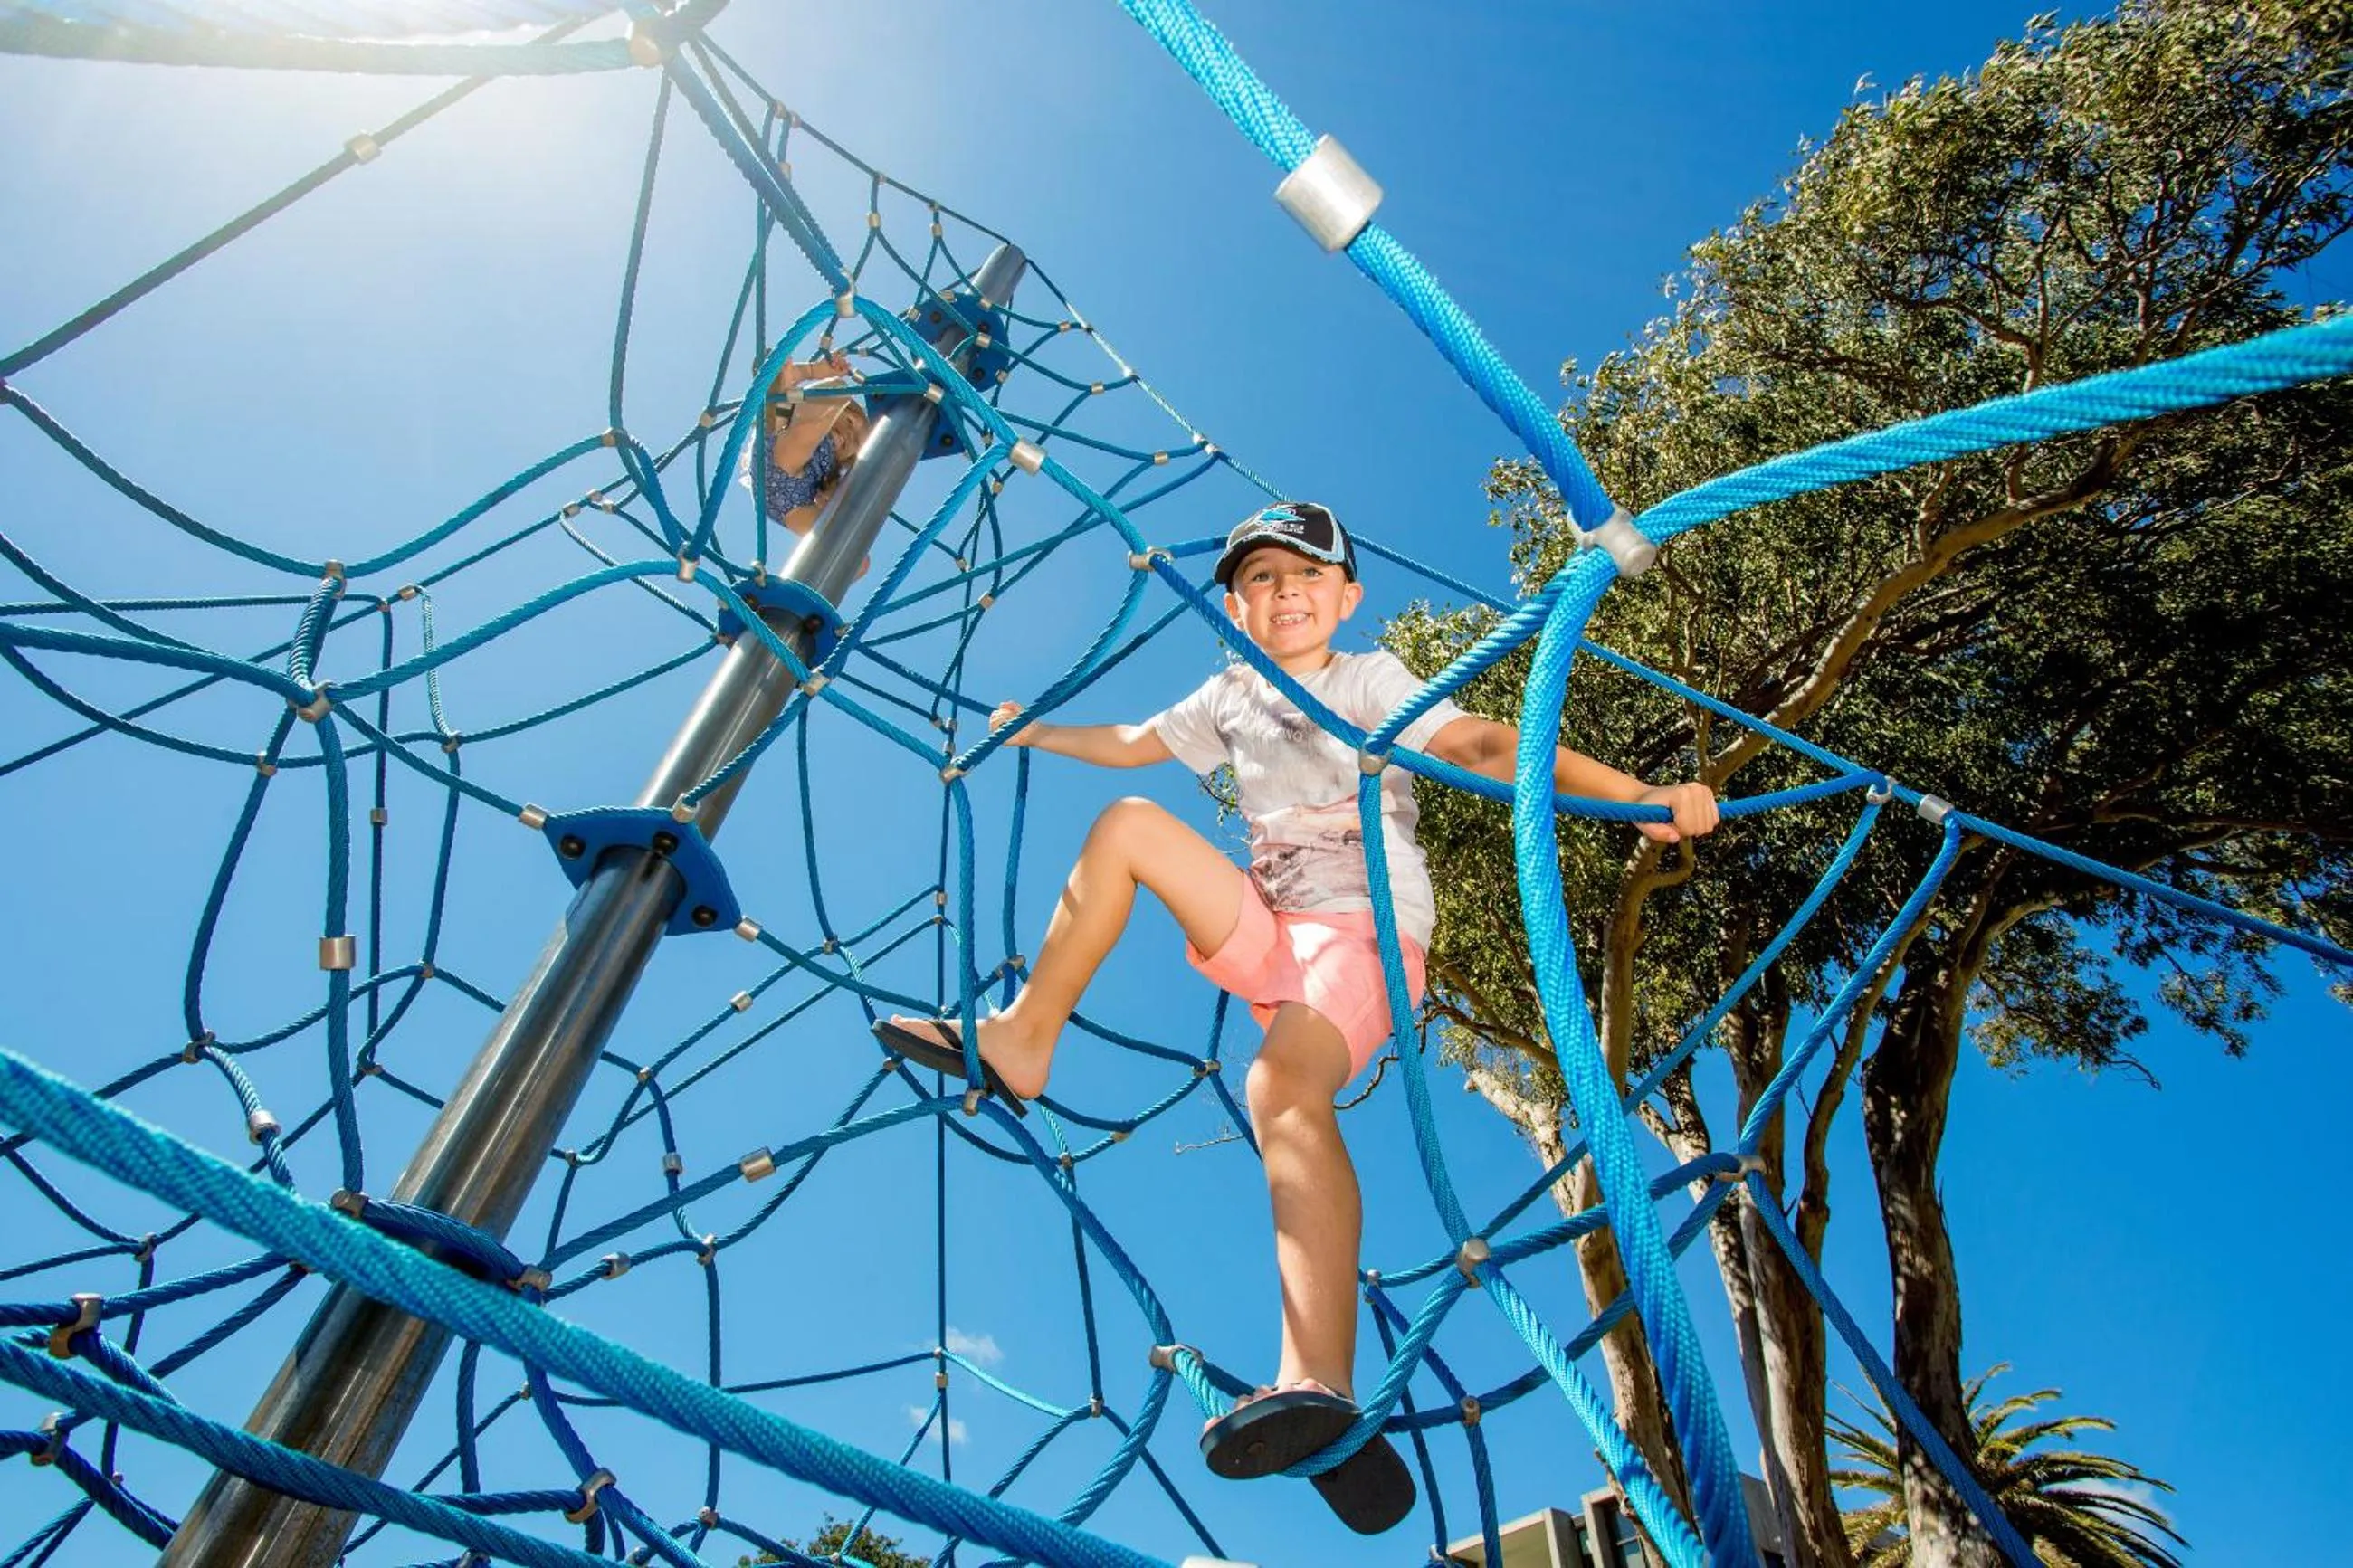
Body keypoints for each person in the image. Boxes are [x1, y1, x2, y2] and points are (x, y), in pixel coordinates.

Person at [873, 500, 1719, 1532]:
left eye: (1307, 573)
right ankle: (1021, 1039)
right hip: (1273, 924)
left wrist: (1636, 793)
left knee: (1278, 1085)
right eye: (1260, 578)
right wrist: (1036, 729)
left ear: (1346, 596)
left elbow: (1483, 743)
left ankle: (1318, 1376)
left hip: (1364, 933)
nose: (1283, 592)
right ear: (1234, 606)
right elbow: (1137, 742)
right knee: (1128, 823)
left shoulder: (1367, 679)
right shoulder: (1230, 694)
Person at [742, 349, 871, 575]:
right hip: (779, 454)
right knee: (837, 390)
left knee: (859, 561)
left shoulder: (830, 468)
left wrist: (831, 496)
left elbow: (831, 497)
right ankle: (790, 380)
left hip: (793, 506)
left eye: (855, 443)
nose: (850, 434)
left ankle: (807, 588)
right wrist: (815, 371)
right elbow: (819, 406)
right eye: (850, 421)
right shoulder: (814, 425)